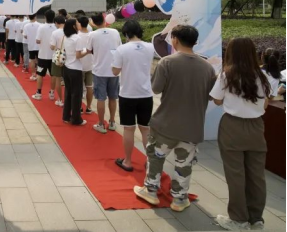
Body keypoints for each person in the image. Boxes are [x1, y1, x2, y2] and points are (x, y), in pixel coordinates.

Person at [134, 25, 216, 212]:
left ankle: (151, 190)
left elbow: (156, 88)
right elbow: (211, 96)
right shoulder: (207, 67)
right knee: (184, 163)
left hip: (166, 124)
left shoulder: (167, 62)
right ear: (195, 41)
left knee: (156, 157)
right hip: (193, 126)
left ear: (175, 40)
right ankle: (179, 198)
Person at [210, 38, 270, 231]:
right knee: (256, 175)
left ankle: (238, 219)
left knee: (235, 174)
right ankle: (256, 218)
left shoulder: (226, 75)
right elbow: (265, 103)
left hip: (232, 126)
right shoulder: (263, 76)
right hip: (256, 127)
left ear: (231, 53)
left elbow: (217, 100)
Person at [111, 20, 155, 172]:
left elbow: (115, 71)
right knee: (146, 129)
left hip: (128, 94)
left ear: (126, 33)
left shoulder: (122, 49)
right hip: (146, 93)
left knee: (129, 129)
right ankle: (150, 162)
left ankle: (128, 161)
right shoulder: (150, 47)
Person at [87, 13, 122, 134]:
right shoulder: (115, 32)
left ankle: (101, 124)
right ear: (104, 20)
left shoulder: (92, 34)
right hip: (114, 70)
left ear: (94, 23)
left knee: (100, 98)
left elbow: (89, 50)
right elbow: (119, 47)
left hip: (99, 71)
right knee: (113, 97)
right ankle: (112, 122)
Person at [61, 18, 86, 125]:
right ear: (73, 26)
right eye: (77, 23)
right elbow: (78, 55)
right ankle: (76, 119)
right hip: (75, 69)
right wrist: (87, 52)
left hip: (66, 67)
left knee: (68, 93)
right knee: (76, 94)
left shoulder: (66, 37)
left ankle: (66, 116)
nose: (79, 24)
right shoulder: (77, 38)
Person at [33, 10, 58, 101]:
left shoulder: (41, 27)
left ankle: (39, 93)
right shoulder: (56, 27)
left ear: (45, 17)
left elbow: (37, 40)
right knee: (53, 75)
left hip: (43, 55)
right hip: (54, 56)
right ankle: (52, 93)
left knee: (40, 74)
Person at [77, 16, 94, 114]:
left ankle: (79, 106)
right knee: (89, 86)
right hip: (90, 64)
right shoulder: (92, 35)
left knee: (79, 87)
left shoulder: (77, 35)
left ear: (79, 24)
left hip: (79, 65)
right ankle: (89, 107)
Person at [23, 14, 40, 80]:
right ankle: (39, 74)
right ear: (35, 17)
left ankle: (33, 74)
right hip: (38, 45)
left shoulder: (26, 26)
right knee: (39, 60)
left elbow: (25, 36)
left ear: (29, 17)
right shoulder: (39, 25)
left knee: (32, 60)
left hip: (31, 45)